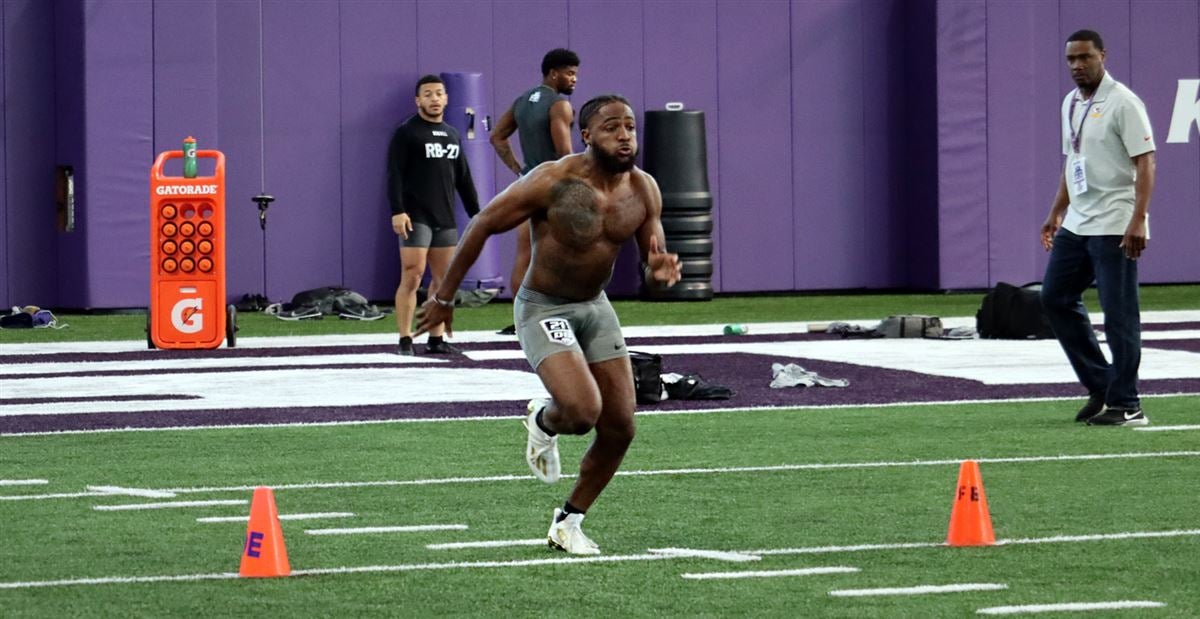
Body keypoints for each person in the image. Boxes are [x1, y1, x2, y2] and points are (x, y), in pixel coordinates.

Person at [416, 94, 681, 554]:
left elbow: (651, 273)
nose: (624, 136)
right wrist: (443, 297)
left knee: (621, 426)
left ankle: (568, 521)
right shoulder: (552, 180)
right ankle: (543, 418)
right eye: (612, 128)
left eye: (630, 128)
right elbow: (481, 224)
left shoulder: (644, 191)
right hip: (544, 307)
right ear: (586, 136)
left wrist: (658, 276)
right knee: (581, 413)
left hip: (594, 307)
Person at [1039, 30, 1156, 427]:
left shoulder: (1123, 102)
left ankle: (1128, 404)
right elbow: (1073, 160)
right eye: (1071, 59)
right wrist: (1056, 211)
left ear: (1102, 56)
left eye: (1085, 58)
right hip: (1079, 220)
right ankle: (1103, 386)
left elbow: (1146, 161)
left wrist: (1138, 218)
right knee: (1055, 297)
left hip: (1115, 221)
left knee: (1119, 313)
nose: (1076, 65)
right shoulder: (1070, 102)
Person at [387, 74, 481, 356]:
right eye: (427, 94)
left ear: (446, 98)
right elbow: (394, 175)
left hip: (445, 218)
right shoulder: (407, 132)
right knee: (413, 276)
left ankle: (436, 338)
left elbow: (464, 179)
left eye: (439, 93)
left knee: (443, 281)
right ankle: (405, 338)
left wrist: (478, 216)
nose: (434, 98)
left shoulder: (452, 134)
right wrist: (397, 211)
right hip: (416, 215)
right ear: (418, 100)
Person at [489, 48, 580, 335]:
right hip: (554, 187)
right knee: (566, 256)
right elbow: (565, 155)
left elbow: (497, 137)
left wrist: (519, 170)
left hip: (528, 185)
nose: (574, 79)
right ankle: (561, 316)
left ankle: (521, 322)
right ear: (553, 73)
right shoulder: (560, 106)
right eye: (570, 73)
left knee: (525, 256)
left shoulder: (522, 101)